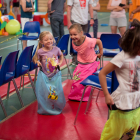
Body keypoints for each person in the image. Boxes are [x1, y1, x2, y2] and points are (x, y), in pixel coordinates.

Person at [99, 19, 140, 140]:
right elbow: (102, 73)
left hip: (136, 101)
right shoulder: (122, 57)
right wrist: (106, 95)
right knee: (113, 133)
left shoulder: (138, 56)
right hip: (123, 102)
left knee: (131, 131)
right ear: (133, 43)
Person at [33, 31, 66, 115]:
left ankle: (55, 106)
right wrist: (37, 62)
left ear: (53, 40)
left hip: (55, 75)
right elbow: (35, 59)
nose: (49, 41)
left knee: (55, 92)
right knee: (46, 92)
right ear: (41, 42)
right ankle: (46, 107)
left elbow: (61, 55)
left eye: (50, 39)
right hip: (45, 76)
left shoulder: (56, 49)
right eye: (46, 40)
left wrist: (60, 62)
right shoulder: (40, 51)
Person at [68, 23, 103, 101]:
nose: (72, 36)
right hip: (81, 63)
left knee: (83, 80)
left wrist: (100, 53)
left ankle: (83, 96)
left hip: (91, 63)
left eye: (75, 34)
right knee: (76, 79)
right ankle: (76, 96)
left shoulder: (88, 41)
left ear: (81, 33)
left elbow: (99, 41)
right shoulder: (74, 41)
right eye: (71, 34)